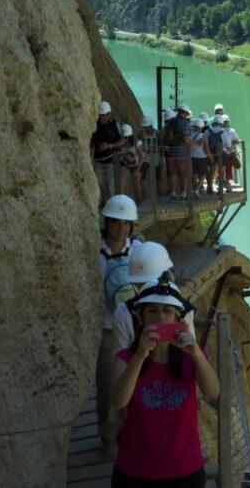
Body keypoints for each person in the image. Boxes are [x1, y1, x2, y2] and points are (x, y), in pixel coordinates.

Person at [110, 278, 219, 487]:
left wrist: (196, 353)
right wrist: (141, 355)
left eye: (167, 310)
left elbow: (212, 391)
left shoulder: (193, 356)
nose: (160, 316)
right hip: (135, 471)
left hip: (185, 470)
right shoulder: (125, 358)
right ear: (140, 318)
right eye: (152, 310)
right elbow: (118, 402)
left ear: (178, 318)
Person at [98, 194, 141, 456]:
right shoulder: (95, 250)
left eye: (126, 224)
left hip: (129, 326)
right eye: (116, 222)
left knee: (132, 380)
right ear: (107, 222)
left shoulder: (136, 249)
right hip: (103, 327)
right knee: (105, 384)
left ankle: (130, 433)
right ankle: (108, 436)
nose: (121, 228)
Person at [111, 241, 196, 356]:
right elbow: (120, 361)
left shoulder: (184, 310)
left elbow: (190, 356)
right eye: (139, 284)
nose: (145, 290)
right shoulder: (124, 313)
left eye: (148, 283)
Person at [91, 100, 124, 205]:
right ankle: (105, 202)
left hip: (110, 160)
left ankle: (112, 203)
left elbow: (123, 140)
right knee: (100, 183)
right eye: (100, 115)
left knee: (110, 184)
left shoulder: (115, 125)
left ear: (109, 114)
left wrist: (110, 146)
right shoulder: (94, 125)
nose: (102, 118)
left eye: (104, 115)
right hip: (98, 160)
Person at [165, 103, 193, 201]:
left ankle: (172, 194)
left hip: (171, 152)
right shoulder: (184, 123)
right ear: (185, 113)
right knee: (183, 174)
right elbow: (186, 139)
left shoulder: (171, 121)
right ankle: (183, 194)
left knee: (173, 174)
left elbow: (165, 135)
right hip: (182, 153)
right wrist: (196, 143)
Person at [117, 124, 145, 204]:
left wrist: (137, 170)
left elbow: (141, 157)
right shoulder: (120, 142)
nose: (125, 139)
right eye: (124, 137)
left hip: (136, 164)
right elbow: (118, 154)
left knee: (136, 184)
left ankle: (139, 197)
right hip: (125, 164)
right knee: (121, 183)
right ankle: (121, 200)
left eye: (126, 137)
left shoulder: (137, 143)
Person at [138, 115, 161, 200]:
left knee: (157, 175)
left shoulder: (157, 133)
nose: (146, 128)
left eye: (147, 126)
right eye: (145, 127)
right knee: (143, 174)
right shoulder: (142, 133)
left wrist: (162, 158)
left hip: (156, 157)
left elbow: (160, 145)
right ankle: (143, 192)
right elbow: (138, 142)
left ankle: (158, 191)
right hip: (146, 157)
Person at [189, 118, 212, 199]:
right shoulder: (203, 136)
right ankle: (196, 189)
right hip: (202, 158)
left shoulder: (190, 136)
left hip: (192, 157)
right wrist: (210, 156)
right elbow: (206, 148)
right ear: (202, 127)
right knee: (203, 175)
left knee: (194, 175)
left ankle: (196, 190)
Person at [221, 114, 240, 190]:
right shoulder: (232, 130)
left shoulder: (219, 131)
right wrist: (232, 142)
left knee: (221, 168)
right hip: (229, 153)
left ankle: (220, 183)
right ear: (228, 122)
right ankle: (228, 184)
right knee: (228, 169)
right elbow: (237, 141)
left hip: (221, 153)